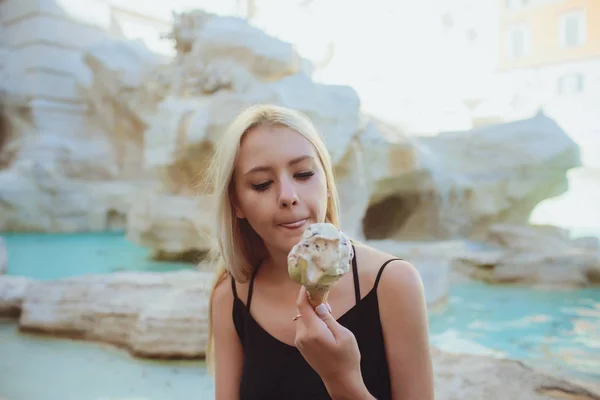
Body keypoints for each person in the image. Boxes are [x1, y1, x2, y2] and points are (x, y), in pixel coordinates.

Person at [205, 104, 434, 400]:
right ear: (236, 203)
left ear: (326, 181)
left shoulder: (393, 283)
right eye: (262, 184)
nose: (288, 196)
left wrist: (341, 379)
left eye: (303, 174)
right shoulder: (231, 296)